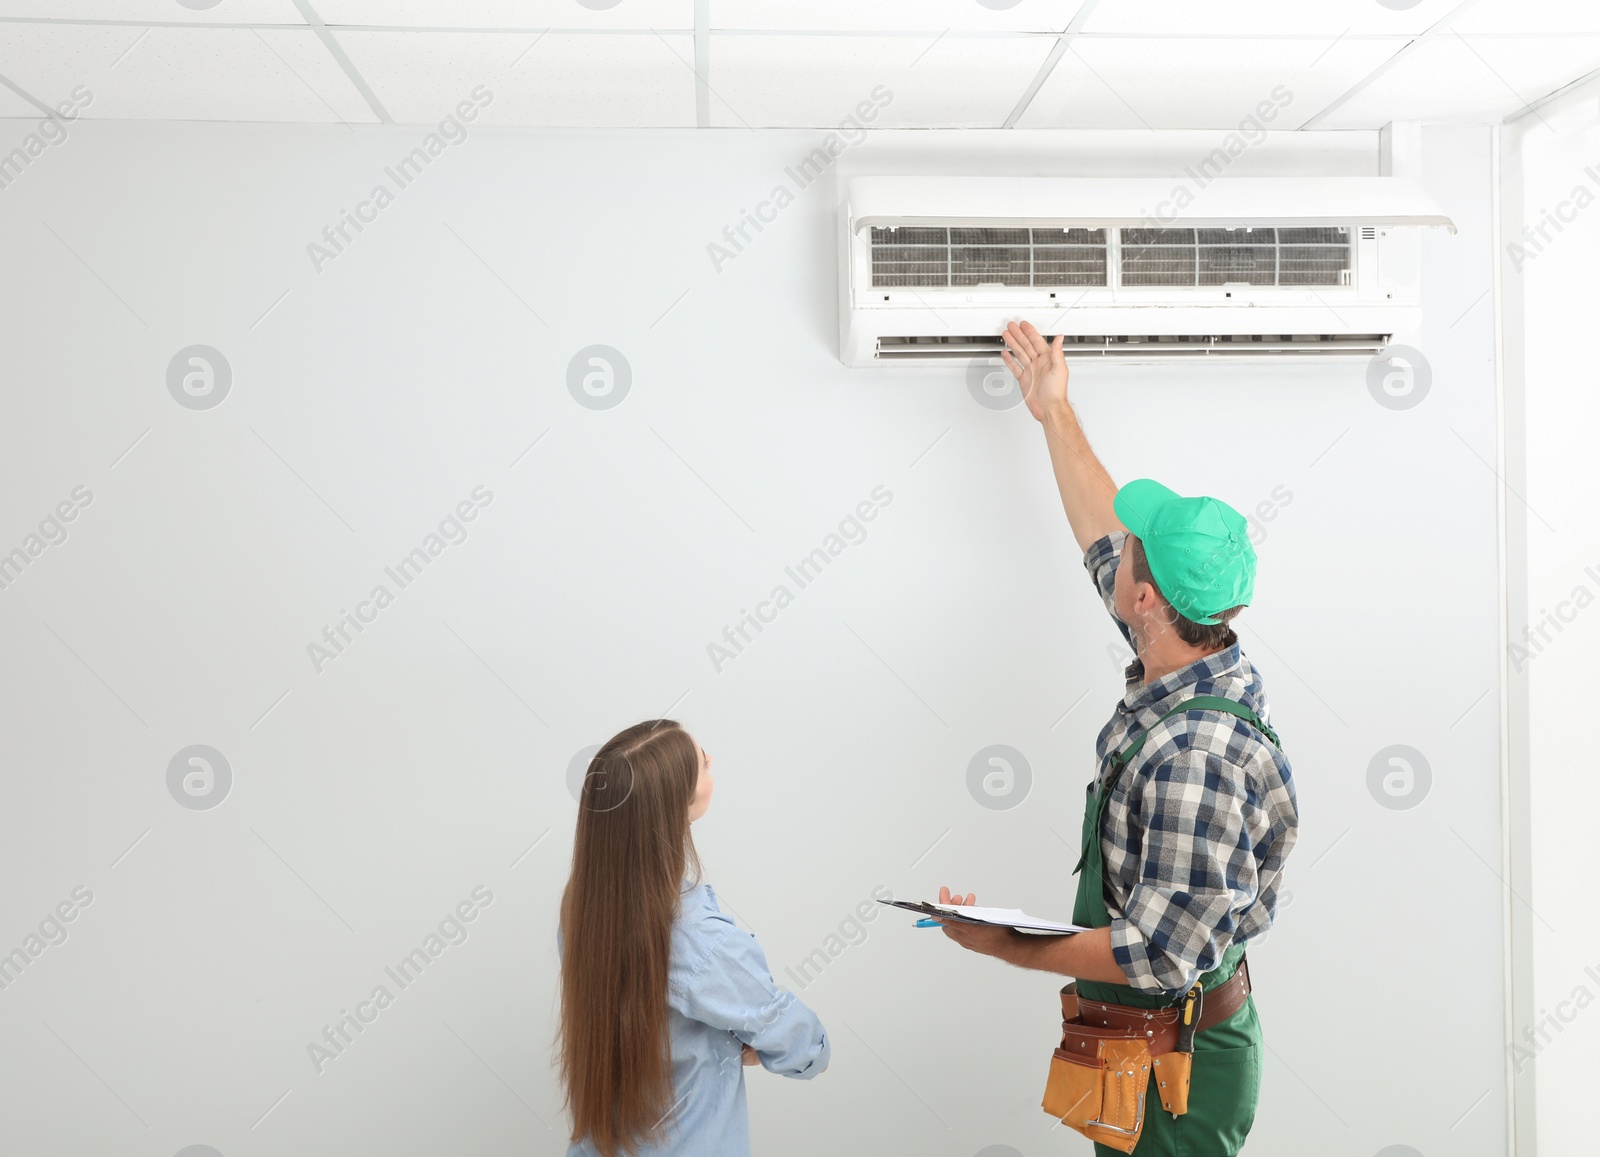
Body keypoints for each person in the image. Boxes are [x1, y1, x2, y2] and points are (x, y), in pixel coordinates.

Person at [936, 321, 1299, 1156]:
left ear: (1148, 600)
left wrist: (1004, 941)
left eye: (1135, 556)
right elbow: (1104, 533)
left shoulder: (1191, 757)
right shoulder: (1193, 646)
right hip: (1147, 1044)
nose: (1119, 554)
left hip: (1178, 1068)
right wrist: (1053, 412)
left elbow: (1160, 955)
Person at [556, 719, 829, 1157]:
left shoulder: (583, 909)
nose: (710, 758)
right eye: (701, 760)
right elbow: (805, 1049)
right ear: (679, 801)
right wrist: (763, 1043)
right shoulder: (702, 941)